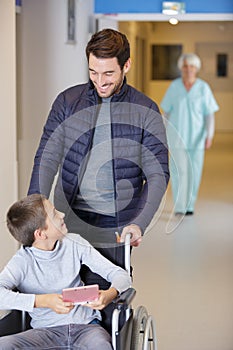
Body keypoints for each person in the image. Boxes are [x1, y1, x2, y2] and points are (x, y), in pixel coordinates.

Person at [27, 29, 169, 293]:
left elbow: (158, 173)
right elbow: (47, 157)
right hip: (66, 218)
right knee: (60, 292)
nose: (100, 82)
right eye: (93, 72)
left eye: (108, 74)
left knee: (103, 296)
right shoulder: (68, 102)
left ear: (126, 65)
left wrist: (139, 222)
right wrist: (34, 213)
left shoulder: (145, 110)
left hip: (115, 223)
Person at [0, 194, 132, 350]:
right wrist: (43, 301)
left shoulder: (74, 243)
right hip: (44, 333)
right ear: (41, 234)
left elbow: (121, 275)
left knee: (101, 346)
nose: (62, 215)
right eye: (55, 214)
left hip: (86, 328)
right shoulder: (22, 262)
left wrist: (111, 293)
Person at [161, 53, 219, 215]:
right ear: (181, 68)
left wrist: (209, 135)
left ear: (197, 69)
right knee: (179, 171)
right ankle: (180, 206)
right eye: (186, 66)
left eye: (192, 66)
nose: (189, 70)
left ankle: (190, 205)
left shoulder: (203, 88)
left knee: (194, 171)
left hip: (197, 138)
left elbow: (209, 115)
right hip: (176, 137)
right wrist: (163, 134)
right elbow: (166, 113)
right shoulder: (174, 87)